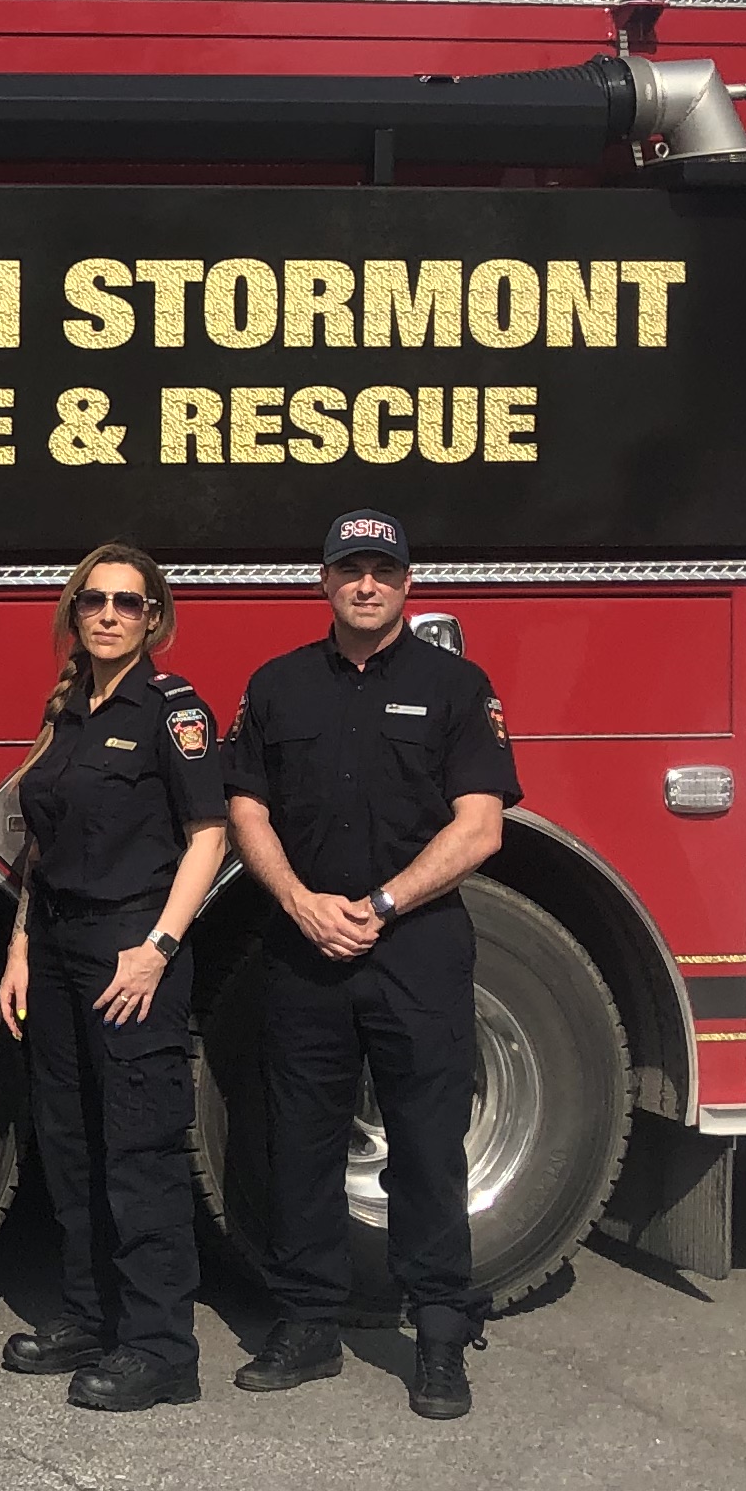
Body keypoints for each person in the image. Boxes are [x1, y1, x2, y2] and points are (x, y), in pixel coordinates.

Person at [222, 507, 520, 1422]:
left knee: (429, 1148)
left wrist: (385, 902)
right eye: (349, 569)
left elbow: (482, 825)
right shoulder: (276, 688)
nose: (365, 585)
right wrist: (301, 903)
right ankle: (308, 1325)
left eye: (381, 572)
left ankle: (437, 1334)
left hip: (416, 948)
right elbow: (246, 809)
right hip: (304, 944)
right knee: (299, 1144)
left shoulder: (457, 687)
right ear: (324, 581)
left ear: (405, 583)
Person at [0, 545, 228, 1414]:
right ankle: (90, 1319)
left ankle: (162, 1348)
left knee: (139, 1150)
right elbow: (42, 848)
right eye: (94, 600)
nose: (110, 615)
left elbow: (210, 833)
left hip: (133, 951)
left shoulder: (174, 712)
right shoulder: (68, 710)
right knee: (71, 1140)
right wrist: (19, 946)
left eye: (130, 604)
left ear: (154, 618)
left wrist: (160, 944)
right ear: (75, 610)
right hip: (55, 946)